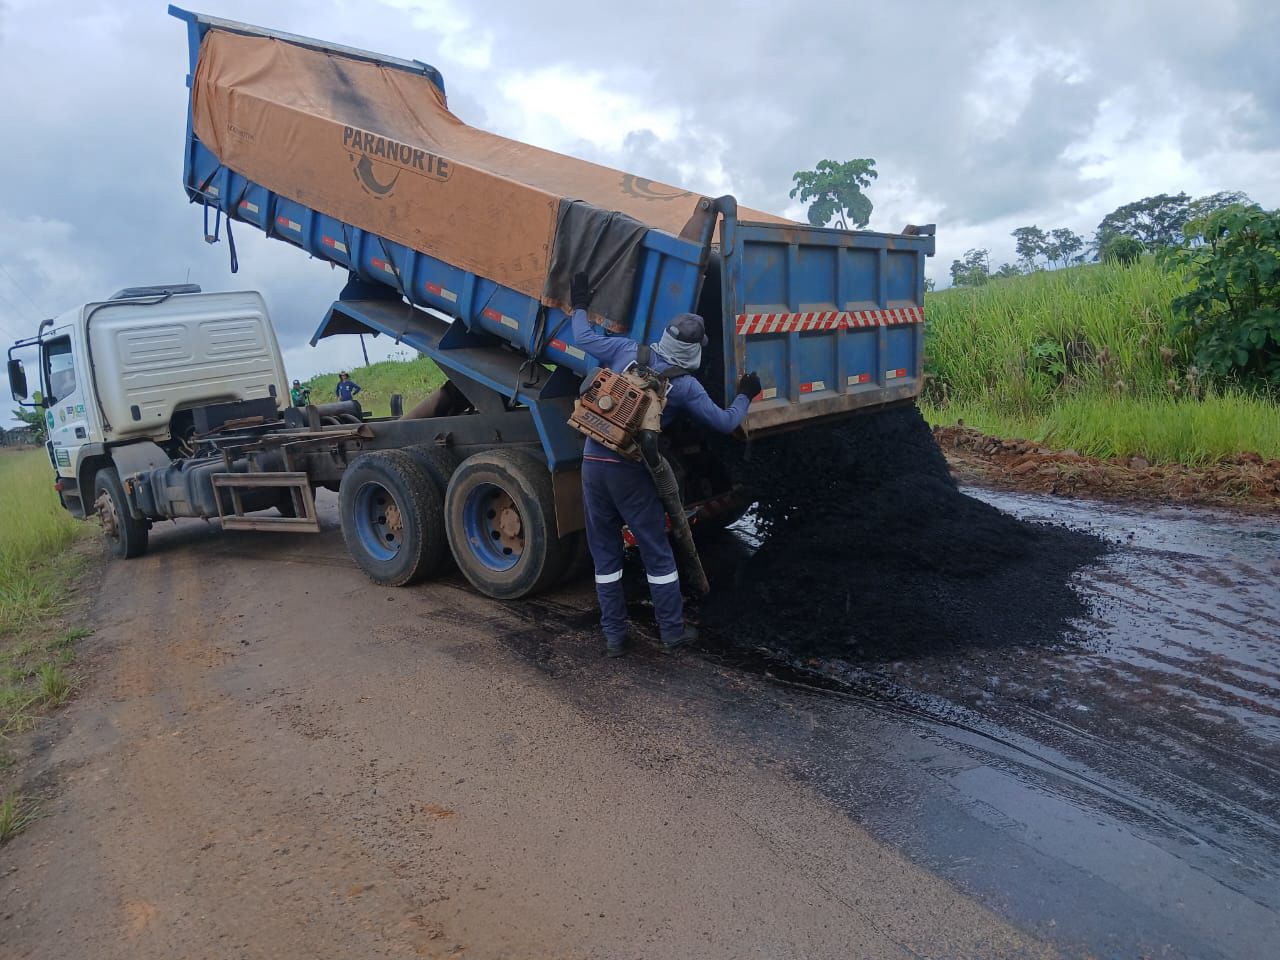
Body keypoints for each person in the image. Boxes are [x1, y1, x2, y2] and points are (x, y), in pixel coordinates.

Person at [569, 271, 761, 658]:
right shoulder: (685, 385)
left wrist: (580, 305)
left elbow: (583, 337)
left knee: (605, 554)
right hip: (629, 469)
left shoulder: (627, 351)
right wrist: (746, 394)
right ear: (694, 352)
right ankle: (672, 633)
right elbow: (726, 422)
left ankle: (614, 637)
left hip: (592, 459)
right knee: (656, 552)